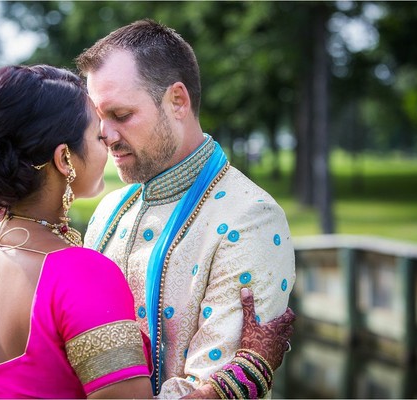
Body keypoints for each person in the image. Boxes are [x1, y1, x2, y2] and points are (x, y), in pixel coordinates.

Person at [0, 64, 293, 399]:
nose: (108, 139)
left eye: (119, 117)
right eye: (96, 134)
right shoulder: (81, 273)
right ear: (64, 159)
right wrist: (248, 373)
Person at [76, 19, 296, 397]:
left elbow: (204, 382)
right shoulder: (109, 208)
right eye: (99, 118)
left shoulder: (251, 218)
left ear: (178, 101)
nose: (105, 135)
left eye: (121, 115)